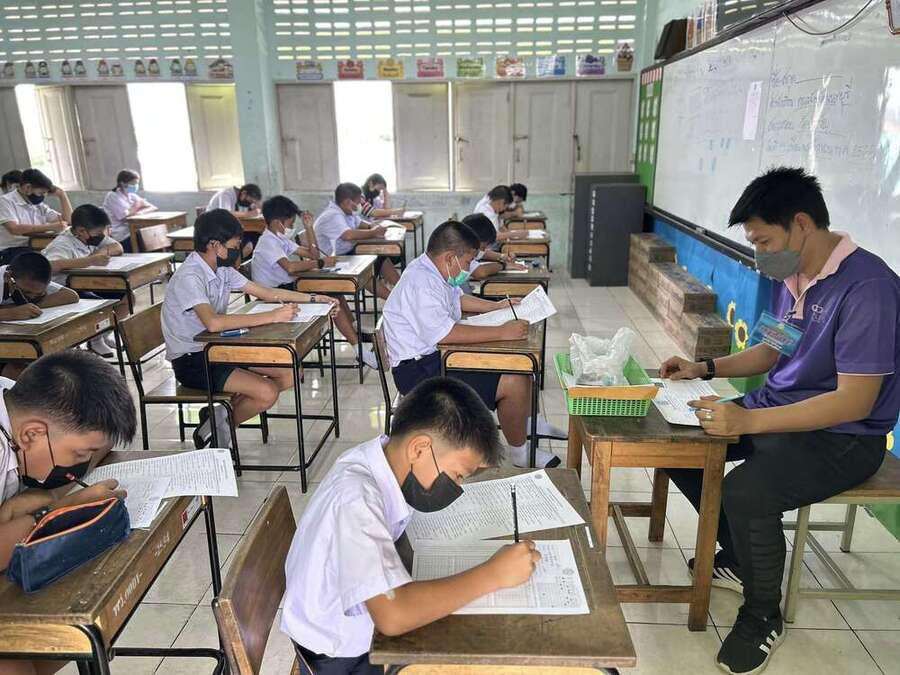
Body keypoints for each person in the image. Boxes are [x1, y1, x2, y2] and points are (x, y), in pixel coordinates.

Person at [659, 167, 899, 675]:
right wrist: (703, 369)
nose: (759, 254)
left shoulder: (869, 288)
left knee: (747, 492)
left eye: (764, 241)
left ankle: (762, 615)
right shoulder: (791, 279)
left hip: (843, 435)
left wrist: (747, 423)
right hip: (776, 411)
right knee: (675, 446)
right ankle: (739, 557)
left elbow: (854, 402)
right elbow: (771, 351)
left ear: (802, 224)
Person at [281, 376, 541, 675]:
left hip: (356, 635)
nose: (457, 487)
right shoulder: (355, 499)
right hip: (340, 657)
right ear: (419, 449)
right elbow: (393, 615)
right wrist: (494, 574)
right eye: (457, 475)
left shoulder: (378, 461)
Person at [382, 220, 563, 469]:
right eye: (467, 262)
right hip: (418, 371)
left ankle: (530, 424)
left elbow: (458, 300)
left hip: (435, 357)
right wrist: (501, 332)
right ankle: (520, 453)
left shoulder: (434, 271)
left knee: (522, 365)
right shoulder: (421, 282)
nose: (468, 269)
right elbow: (445, 335)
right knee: (515, 380)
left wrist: (497, 307)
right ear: (450, 258)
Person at [0, 350, 134, 675]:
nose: (80, 467)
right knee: (19, 657)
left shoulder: (20, 404)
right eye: (79, 454)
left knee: (69, 638)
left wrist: (36, 498)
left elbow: (99, 442)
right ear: (31, 435)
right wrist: (59, 509)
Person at [162, 208, 338, 450]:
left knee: (291, 373)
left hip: (219, 348)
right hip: (192, 359)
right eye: (234, 245)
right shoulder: (190, 276)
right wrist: (273, 316)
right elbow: (213, 323)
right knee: (266, 393)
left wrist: (315, 298)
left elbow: (267, 292)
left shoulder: (222, 270)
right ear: (215, 245)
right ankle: (222, 429)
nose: (239, 250)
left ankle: (219, 418)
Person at [251, 195, 378, 369]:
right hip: (273, 296)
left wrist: (309, 228)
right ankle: (359, 348)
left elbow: (313, 254)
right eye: (290, 224)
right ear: (276, 222)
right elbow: (291, 267)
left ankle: (355, 332)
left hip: (287, 288)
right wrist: (320, 264)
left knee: (334, 291)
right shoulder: (267, 242)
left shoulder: (279, 239)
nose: (291, 227)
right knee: (329, 298)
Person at [42, 204, 126, 357]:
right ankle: (95, 339)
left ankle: (102, 334)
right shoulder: (62, 244)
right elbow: (50, 266)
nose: (102, 236)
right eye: (99, 233)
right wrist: (90, 260)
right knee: (102, 306)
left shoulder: (91, 237)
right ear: (81, 231)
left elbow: (117, 247)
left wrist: (101, 252)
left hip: (89, 284)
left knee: (127, 297)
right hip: (65, 291)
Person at [313, 183, 401, 300]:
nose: (360, 205)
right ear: (347, 202)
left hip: (346, 254)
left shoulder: (347, 211)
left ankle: (401, 290)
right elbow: (348, 235)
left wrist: (375, 227)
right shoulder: (332, 215)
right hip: (332, 261)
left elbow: (363, 224)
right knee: (365, 269)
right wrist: (374, 232)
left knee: (381, 256)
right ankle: (394, 300)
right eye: (358, 202)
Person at [0, 169, 70, 265]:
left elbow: (68, 220)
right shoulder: (5, 201)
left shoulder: (38, 205)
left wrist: (62, 195)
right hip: (12, 251)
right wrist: (50, 227)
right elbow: (14, 229)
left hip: (35, 247)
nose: (43, 196)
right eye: (41, 193)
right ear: (27, 188)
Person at [460, 213, 526, 294]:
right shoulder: (461, 254)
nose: (483, 250)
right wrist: (504, 265)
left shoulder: (468, 246)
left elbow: (482, 253)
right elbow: (480, 272)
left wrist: (502, 256)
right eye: (483, 247)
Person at [100, 169, 157, 252]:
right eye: (133, 183)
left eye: (137, 183)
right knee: (147, 237)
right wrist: (136, 206)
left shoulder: (131, 195)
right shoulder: (113, 196)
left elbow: (152, 207)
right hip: (120, 233)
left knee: (154, 233)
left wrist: (140, 212)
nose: (135, 186)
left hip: (132, 228)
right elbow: (124, 217)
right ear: (123, 183)